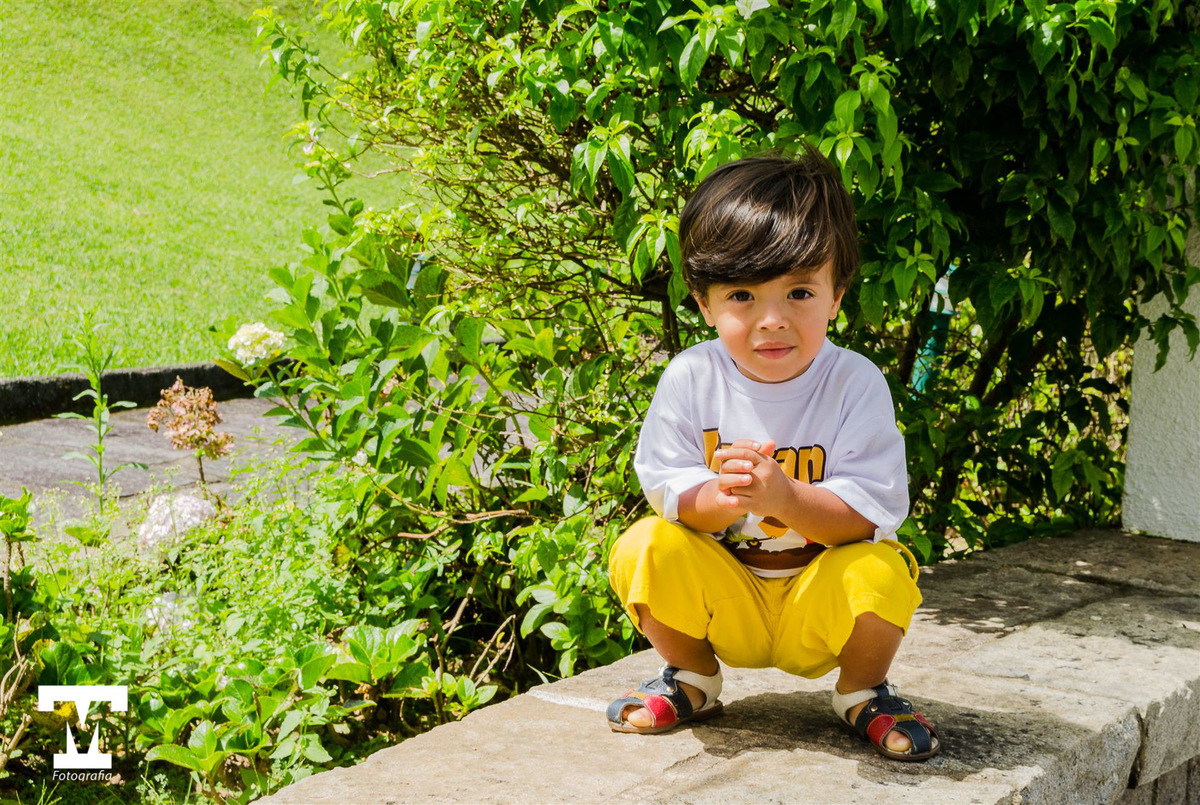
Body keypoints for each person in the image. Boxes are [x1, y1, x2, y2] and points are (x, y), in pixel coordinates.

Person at [605, 146, 940, 761]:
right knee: (644, 546)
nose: (772, 321)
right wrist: (720, 495)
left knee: (884, 571)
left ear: (836, 296)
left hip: (819, 600)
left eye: (799, 294)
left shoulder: (854, 382)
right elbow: (671, 494)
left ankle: (861, 691)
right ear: (704, 302)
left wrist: (785, 497)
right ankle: (693, 678)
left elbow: (869, 514)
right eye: (741, 296)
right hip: (727, 599)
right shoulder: (689, 378)